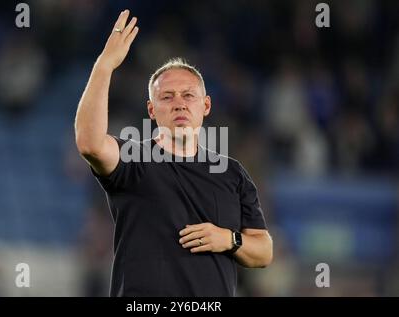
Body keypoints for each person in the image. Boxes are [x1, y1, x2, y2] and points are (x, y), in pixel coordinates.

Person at [74, 9, 273, 297]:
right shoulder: (133, 160)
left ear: (205, 106)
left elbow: (264, 250)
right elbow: (89, 143)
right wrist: (105, 65)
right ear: (152, 111)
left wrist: (228, 239)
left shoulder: (231, 173)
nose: (179, 103)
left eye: (188, 95)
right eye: (167, 97)